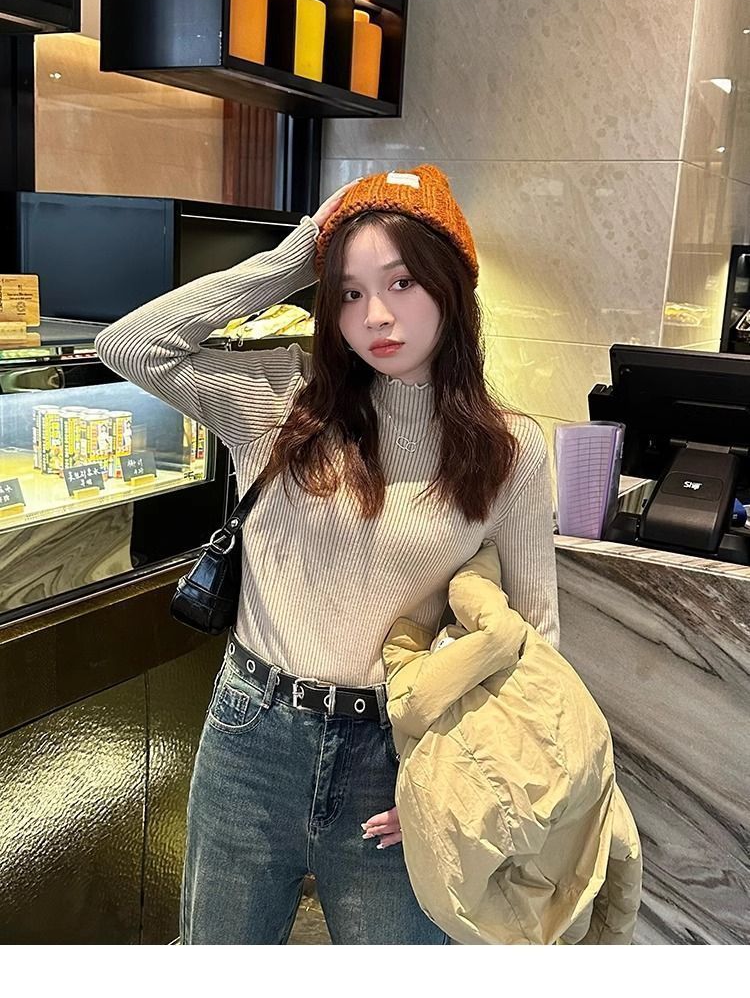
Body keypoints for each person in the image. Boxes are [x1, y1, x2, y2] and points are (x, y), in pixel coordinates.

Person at [94, 164, 560, 945]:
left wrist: (459, 785)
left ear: (452, 286)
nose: (375, 315)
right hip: (251, 740)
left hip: (397, 755)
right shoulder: (281, 398)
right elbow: (128, 345)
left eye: (402, 281)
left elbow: (535, 639)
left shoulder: (509, 450)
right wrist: (295, 255)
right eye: (347, 291)